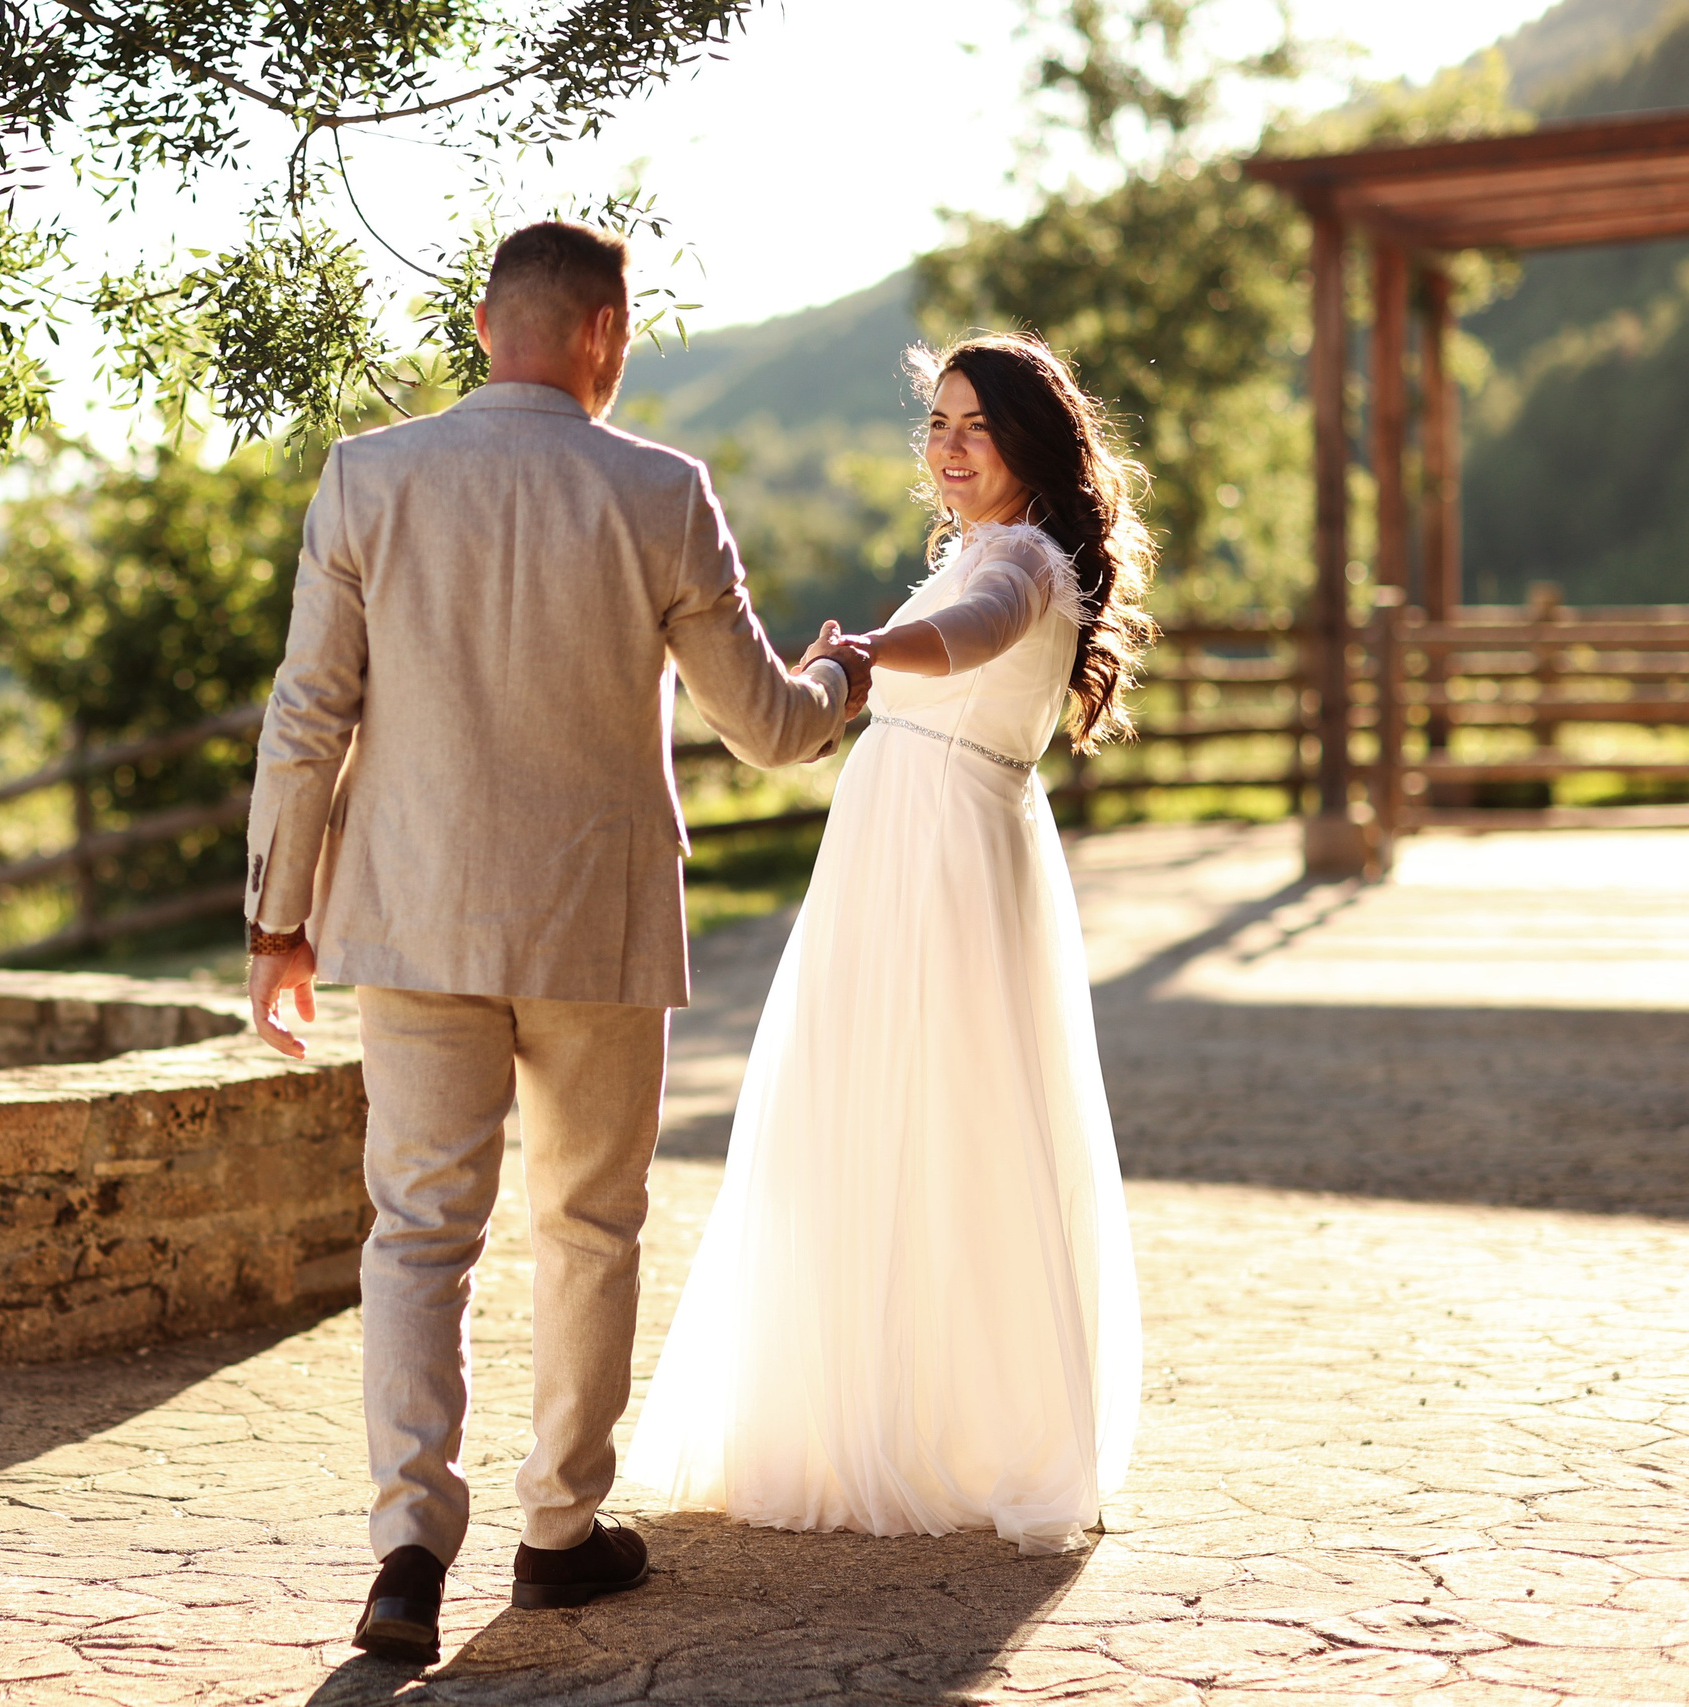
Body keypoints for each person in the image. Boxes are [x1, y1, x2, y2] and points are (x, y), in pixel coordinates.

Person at [241, 220, 870, 1666]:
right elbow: (769, 727)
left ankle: (408, 1547)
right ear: (603, 332)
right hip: (598, 924)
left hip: (410, 917)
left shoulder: (367, 477)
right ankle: (559, 1533)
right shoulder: (659, 489)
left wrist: (279, 922)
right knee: (589, 1224)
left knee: (418, 1231)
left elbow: (305, 717)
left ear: (481, 323)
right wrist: (843, 665)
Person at [624, 332, 1152, 1556]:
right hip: (894, 851)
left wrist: (861, 655)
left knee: (951, 1120)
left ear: (1032, 445)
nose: (952, 448)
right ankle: (858, 1405)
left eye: (977, 426)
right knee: (865, 1114)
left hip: (948, 862)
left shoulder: (1022, 562)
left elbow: (972, 634)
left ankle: (960, 1428)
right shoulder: (972, 549)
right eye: (940, 425)